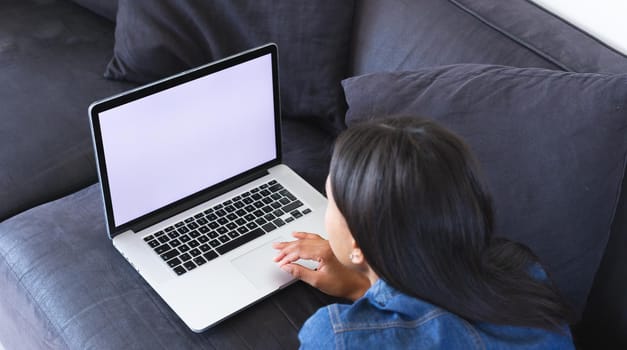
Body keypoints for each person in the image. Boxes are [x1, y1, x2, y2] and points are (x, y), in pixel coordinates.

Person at [273, 116, 576, 349]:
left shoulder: (337, 338)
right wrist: (360, 285)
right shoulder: (527, 273)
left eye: (330, 203)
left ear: (357, 242)